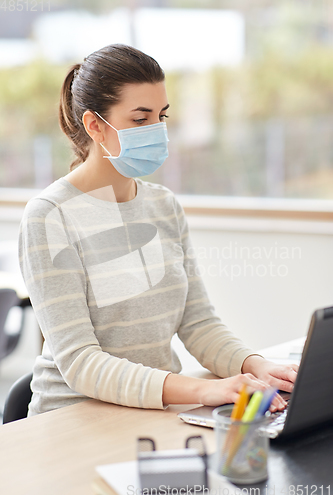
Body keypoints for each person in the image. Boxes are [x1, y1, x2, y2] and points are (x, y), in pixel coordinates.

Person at [18, 44, 298, 417]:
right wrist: (205, 389)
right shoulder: (49, 217)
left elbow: (197, 322)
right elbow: (81, 362)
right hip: (74, 417)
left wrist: (254, 365)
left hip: (152, 411)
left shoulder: (163, 205)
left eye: (161, 116)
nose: (157, 131)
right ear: (95, 125)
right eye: (140, 119)